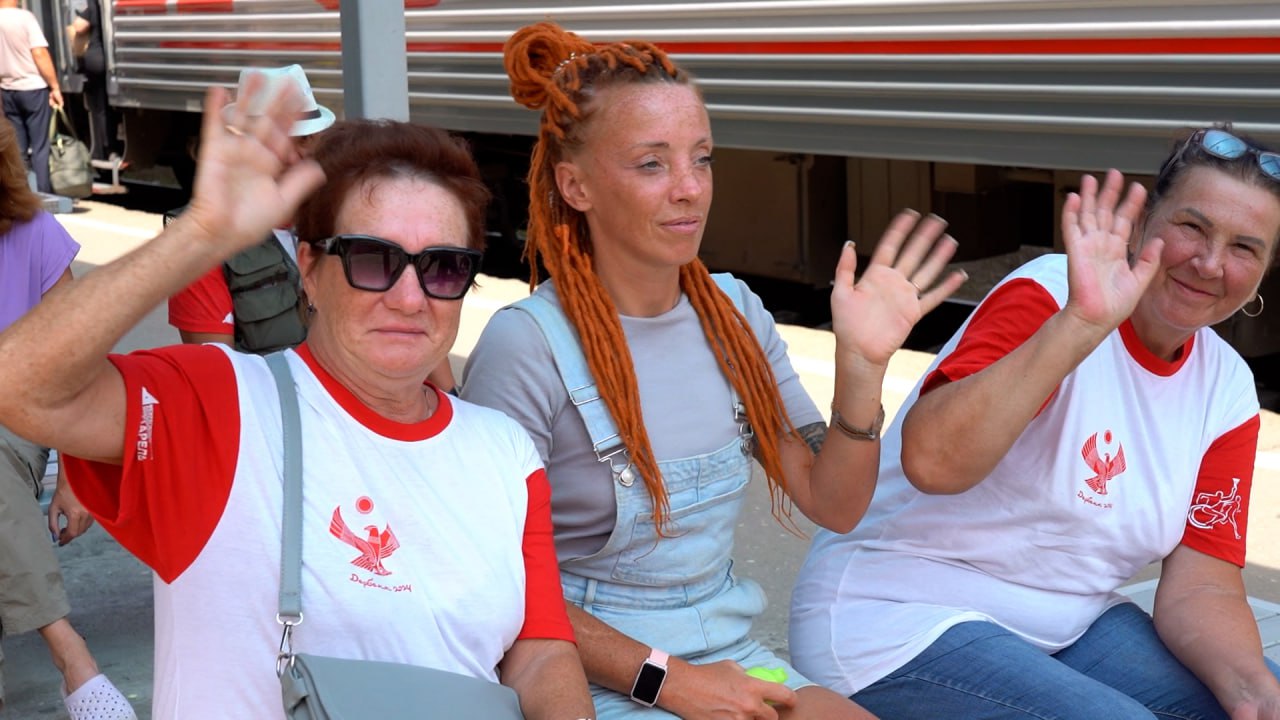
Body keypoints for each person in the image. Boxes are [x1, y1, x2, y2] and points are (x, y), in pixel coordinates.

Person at [0, 71, 595, 720]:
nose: (409, 297)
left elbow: (539, 650)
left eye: (444, 267)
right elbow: (19, 387)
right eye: (372, 259)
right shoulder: (218, 405)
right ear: (308, 270)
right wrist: (199, 236)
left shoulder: (505, 451)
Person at [462, 22, 965, 720]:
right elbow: (501, 583)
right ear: (574, 186)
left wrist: (860, 369)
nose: (690, 189)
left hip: (727, 650)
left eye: (702, 158)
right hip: (588, 671)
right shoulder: (527, 345)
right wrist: (672, 683)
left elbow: (835, 503)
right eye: (652, 164)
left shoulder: (734, 313)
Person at [789, 127, 1280, 719]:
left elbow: (1202, 584)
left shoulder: (1225, 385)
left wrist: (1253, 691)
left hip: (1069, 624)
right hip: (896, 611)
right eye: (1192, 227)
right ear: (1145, 222)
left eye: (1244, 248)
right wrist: (1080, 325)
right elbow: (933, 463)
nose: (1209, 262)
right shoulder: (1053, 294)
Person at [0, 120, 135, 719]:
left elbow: (78, 368)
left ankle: (70, 656)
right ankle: (71, 655)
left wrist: (76, 475)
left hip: (14, 430)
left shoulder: (33, 233)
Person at [168, 64, 335, 355]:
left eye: (304, 139)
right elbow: (218, 368)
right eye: (276, 141)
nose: (293, 156)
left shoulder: (341, 214)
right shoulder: (200, 241)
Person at [0, 0, 63, 193]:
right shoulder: (25, 18)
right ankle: (44, 194)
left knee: (18, 149)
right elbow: (39, 53)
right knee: (40, 147)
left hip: (7, 90)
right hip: (33, 89)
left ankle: (22, 194)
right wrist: (55, 86)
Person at [66, 0, 123, 177]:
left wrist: (77, 14)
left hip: (95, 62)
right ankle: (107, 148)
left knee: (98, 110)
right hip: (104, 62)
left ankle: (104, 149)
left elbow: (79, 26)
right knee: (104, 108)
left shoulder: (91, 6)